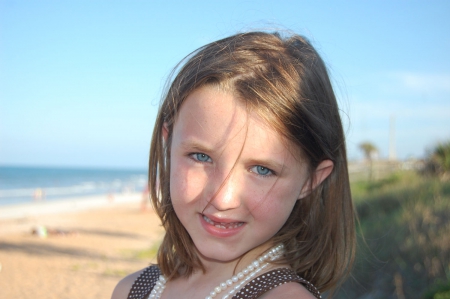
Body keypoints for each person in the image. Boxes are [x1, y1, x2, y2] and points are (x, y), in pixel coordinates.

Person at [112, 31, 355, 299]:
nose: (223, 198)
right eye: (201, 156)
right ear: (168, 144)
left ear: (311, 180)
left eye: (263, 170)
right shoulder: (131, 290)